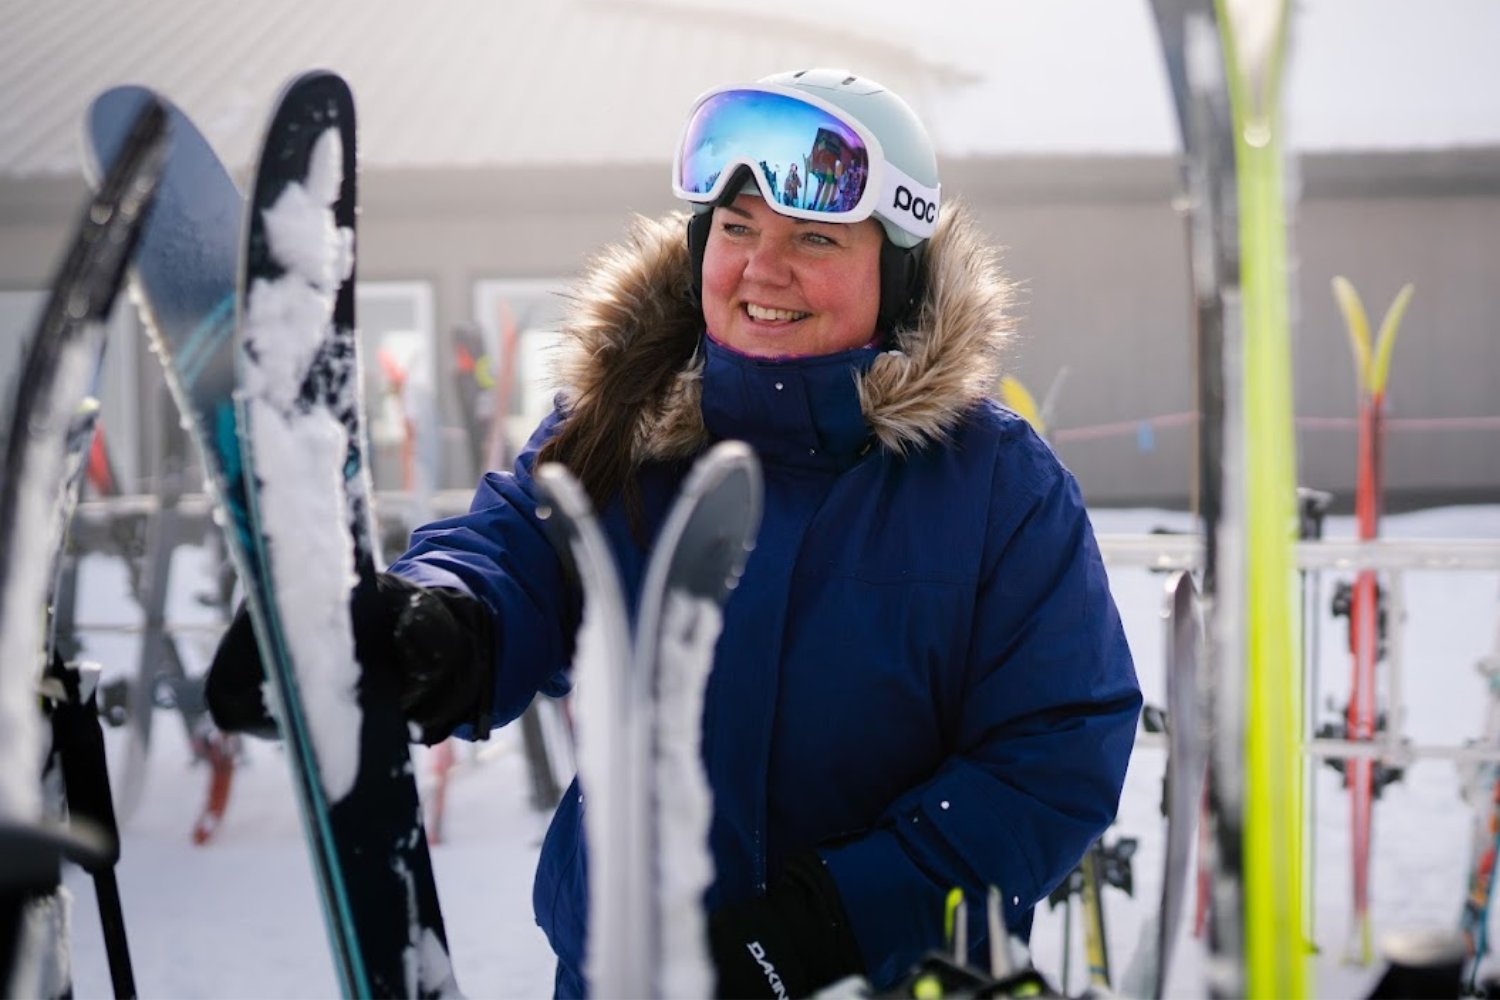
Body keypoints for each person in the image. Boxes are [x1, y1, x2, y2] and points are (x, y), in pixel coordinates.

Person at [207, 67, 1140, 998]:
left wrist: (823, 930)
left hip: (885, 980)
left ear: (896, 272)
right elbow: (515, 552)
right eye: (736, 229)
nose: (762, 269)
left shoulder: (994, 483)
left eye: (814, 237)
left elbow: (1057, 749)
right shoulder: (624, 425)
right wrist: (437, 625)